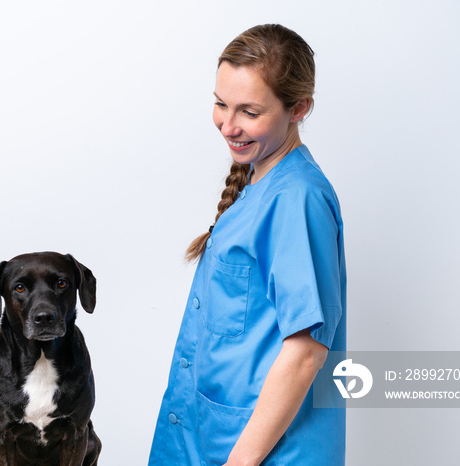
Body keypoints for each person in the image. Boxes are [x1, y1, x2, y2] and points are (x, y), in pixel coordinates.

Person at [148, 24, 346, 466]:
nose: (229, 125)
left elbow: (306, 351)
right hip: (209, 437)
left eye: (250, 112)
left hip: (257, 452)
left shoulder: (297, 198)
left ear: (299, 108)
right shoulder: (260, 182)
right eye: (220, 104)